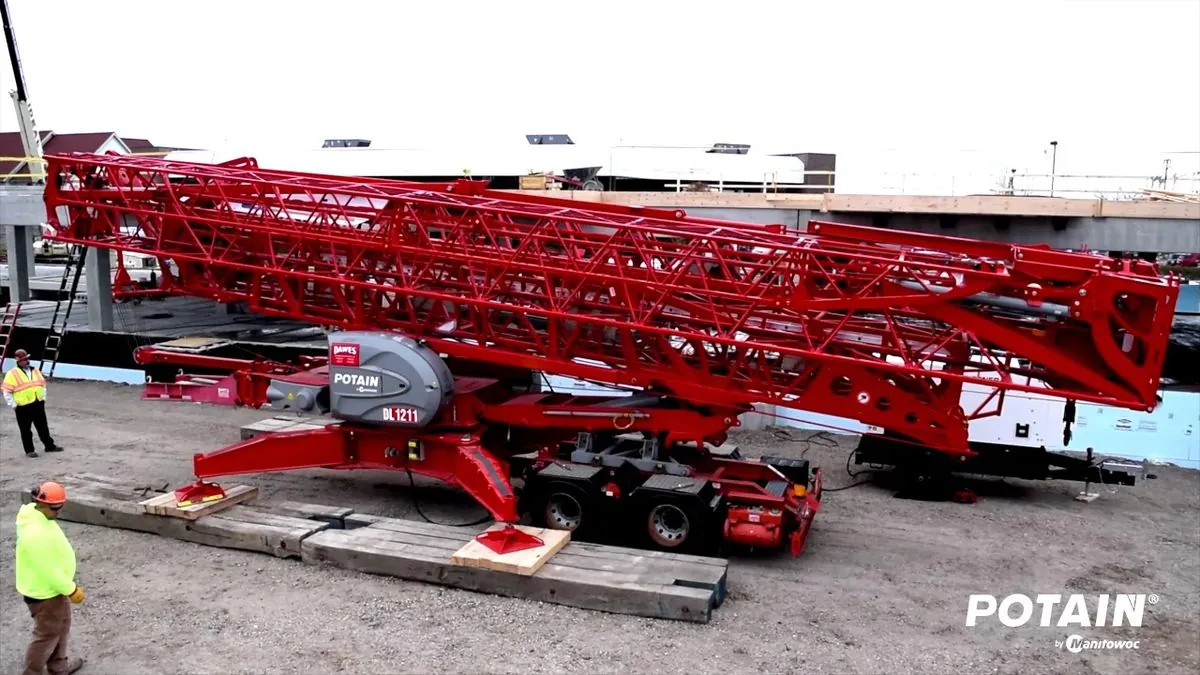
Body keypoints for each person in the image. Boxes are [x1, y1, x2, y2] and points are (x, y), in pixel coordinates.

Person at [15, 481, 86, 675]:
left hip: (52, 590)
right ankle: (32, 672)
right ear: (42, 504)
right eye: (55, 508)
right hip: (44, 593)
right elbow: (48, 569)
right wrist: (70, 590)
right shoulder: (34, 533)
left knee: (61, 625)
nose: (58, 512)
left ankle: (58, 664)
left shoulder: (36, 516)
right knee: (46, 635)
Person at [2, 349, 63, 457]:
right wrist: (13, 404)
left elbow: (42, 384)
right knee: (25, 430)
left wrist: (43, 398)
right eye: (23, 359)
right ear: (18, 361)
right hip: (23, 406)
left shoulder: (35, 370)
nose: (26, 361)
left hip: (37, 402)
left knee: (43, 427)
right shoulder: (12, 374)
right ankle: (29, 450)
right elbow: (6, 391)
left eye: (26, 359)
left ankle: (49, 446)